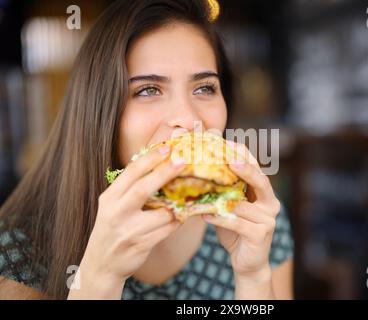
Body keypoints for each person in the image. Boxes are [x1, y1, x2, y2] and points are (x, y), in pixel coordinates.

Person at [0, 0, 294, 300]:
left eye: (205, 88)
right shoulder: (18, 250)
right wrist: (99, 278)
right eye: (148, 90)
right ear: (99, 113)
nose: (189, 119)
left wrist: (253, 277)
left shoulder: (258, 216)